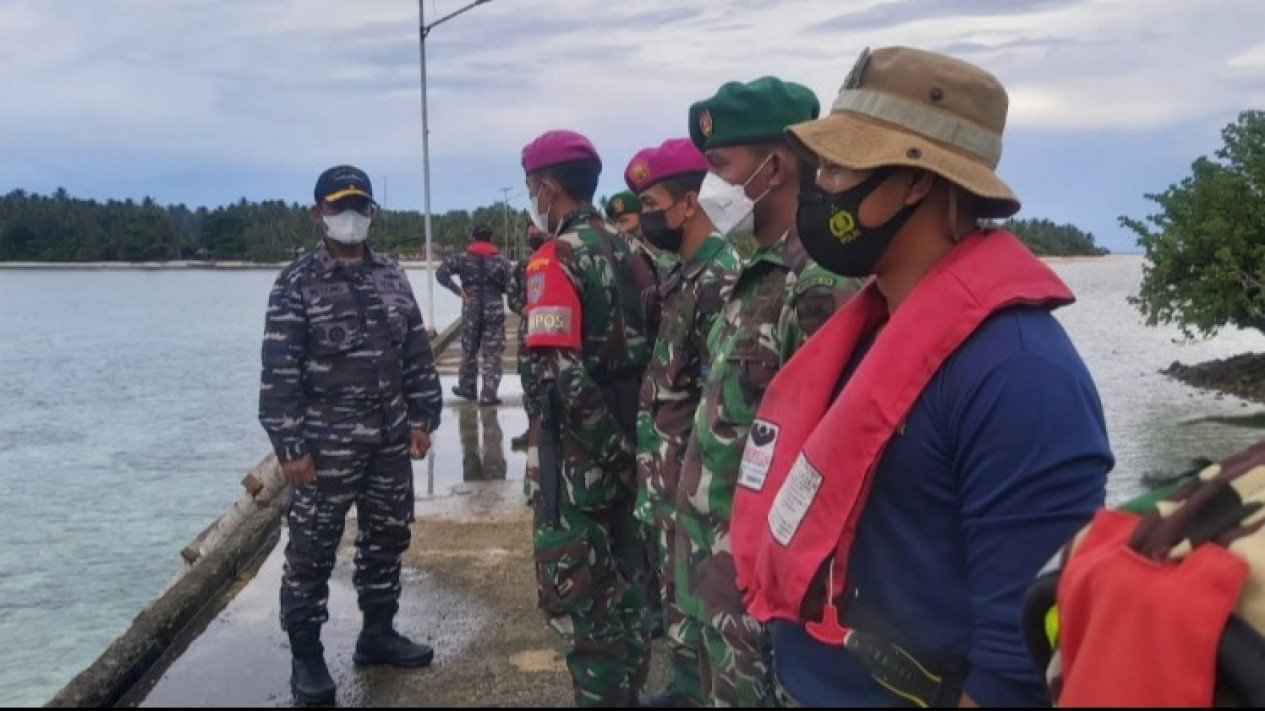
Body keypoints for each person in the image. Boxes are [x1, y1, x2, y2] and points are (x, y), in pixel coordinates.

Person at [729, 46, 1114, 707]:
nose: (818, 186)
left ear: (916, 182)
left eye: (840, 164)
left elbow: (1019, 667)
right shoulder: (872, 331)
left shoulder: (1020, 376)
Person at [674, 77, 858, 707]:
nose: (709, 190)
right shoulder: (755, 272)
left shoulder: (818, 284)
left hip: (760, 604)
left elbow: (826, 467)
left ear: (775, 167)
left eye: (720, 167)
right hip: (715, 585)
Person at [258, 164, 442, 707]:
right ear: (318, 214)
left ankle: (377, 633)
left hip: (388, 438)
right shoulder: (296, 283)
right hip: (324, 447)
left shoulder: (390, 274)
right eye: (339, 207)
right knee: (312, 551)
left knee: (387, 535)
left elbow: (414, 350)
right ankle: (307, 655)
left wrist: (421, 418)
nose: (351, 217)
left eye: (360, 207)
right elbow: (278, 375)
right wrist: (290, 448)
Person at [520, 129, 653, 706]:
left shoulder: (556, 259)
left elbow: (561, 377)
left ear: (548, 188)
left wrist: (614, 457)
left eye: (532, 188)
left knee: (589, 622)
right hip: (632, 452)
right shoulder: (633, 251)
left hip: (580, 469)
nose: (533, 199)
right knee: (630, 610)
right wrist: (634, 454)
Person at [626, 138, 741, 708]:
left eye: (652, 201)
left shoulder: (721, 280)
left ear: (689, 204)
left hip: (694, 486)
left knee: (699, 610)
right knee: (675, 605)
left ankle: (694, 694)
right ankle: (682, 688)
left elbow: (717, 401)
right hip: (666, 480)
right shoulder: (682, 276)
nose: (647, 214)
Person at [437, 224, 512, 406]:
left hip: (470, 305)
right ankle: (488, 393)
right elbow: (511, 284)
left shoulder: (462, 258)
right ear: (491, 239)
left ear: (473, 238)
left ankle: (468, 387)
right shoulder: (501, 261)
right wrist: (498, 289)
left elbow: (441, 273)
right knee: (492, 352)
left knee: (469, 349)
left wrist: (459, 292)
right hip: (493, 307)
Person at [508, 222, 548, 452]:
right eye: (530, 233)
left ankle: (549, 430)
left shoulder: (557, 259)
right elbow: (512, 295)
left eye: (537, 232)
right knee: (528, 382)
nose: (533, 236)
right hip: (528, 334)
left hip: (551, 330)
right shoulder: (523, 265)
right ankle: (532, 430)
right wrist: (522, 308)